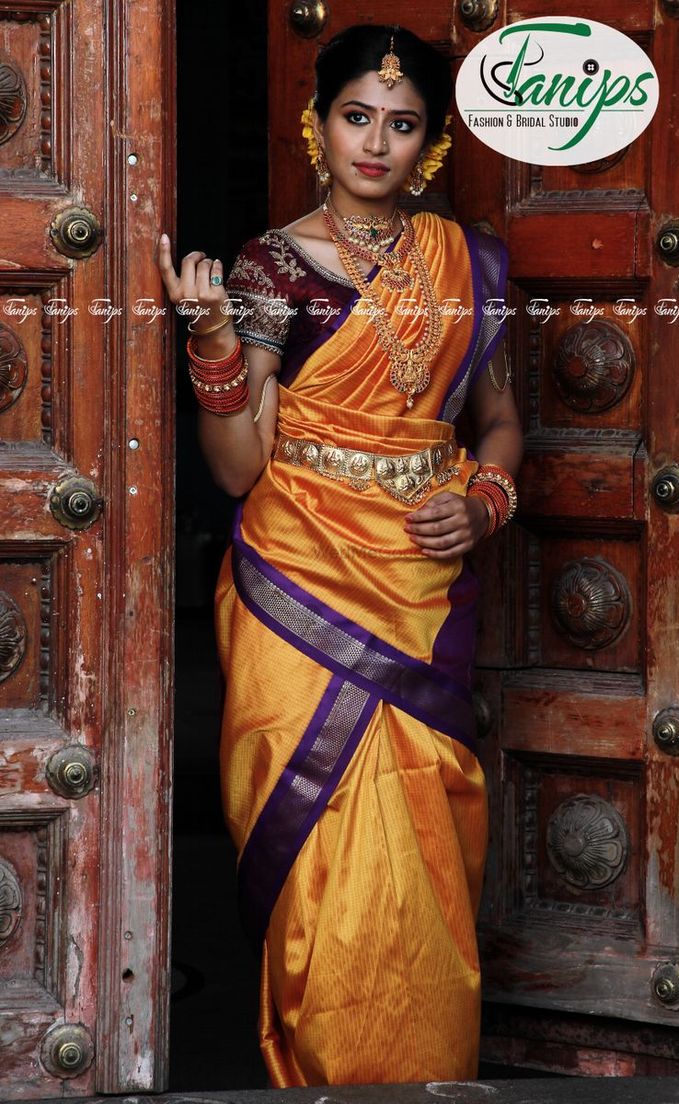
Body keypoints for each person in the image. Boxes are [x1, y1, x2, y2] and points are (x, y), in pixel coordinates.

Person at [158, 23, 522, 1088]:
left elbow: (498, 422)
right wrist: (216, 341)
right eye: (356, 116)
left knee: (421, 856)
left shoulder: (470, 266)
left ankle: (417, 1069)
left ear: (431, 146)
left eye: (401, 124)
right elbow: (235, 470)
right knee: (313, 836)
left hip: (418, 584)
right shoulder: (271, 266)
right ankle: (320, 1068)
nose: (376, 142)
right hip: (296, 586)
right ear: (318, 128)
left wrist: (486, 502)